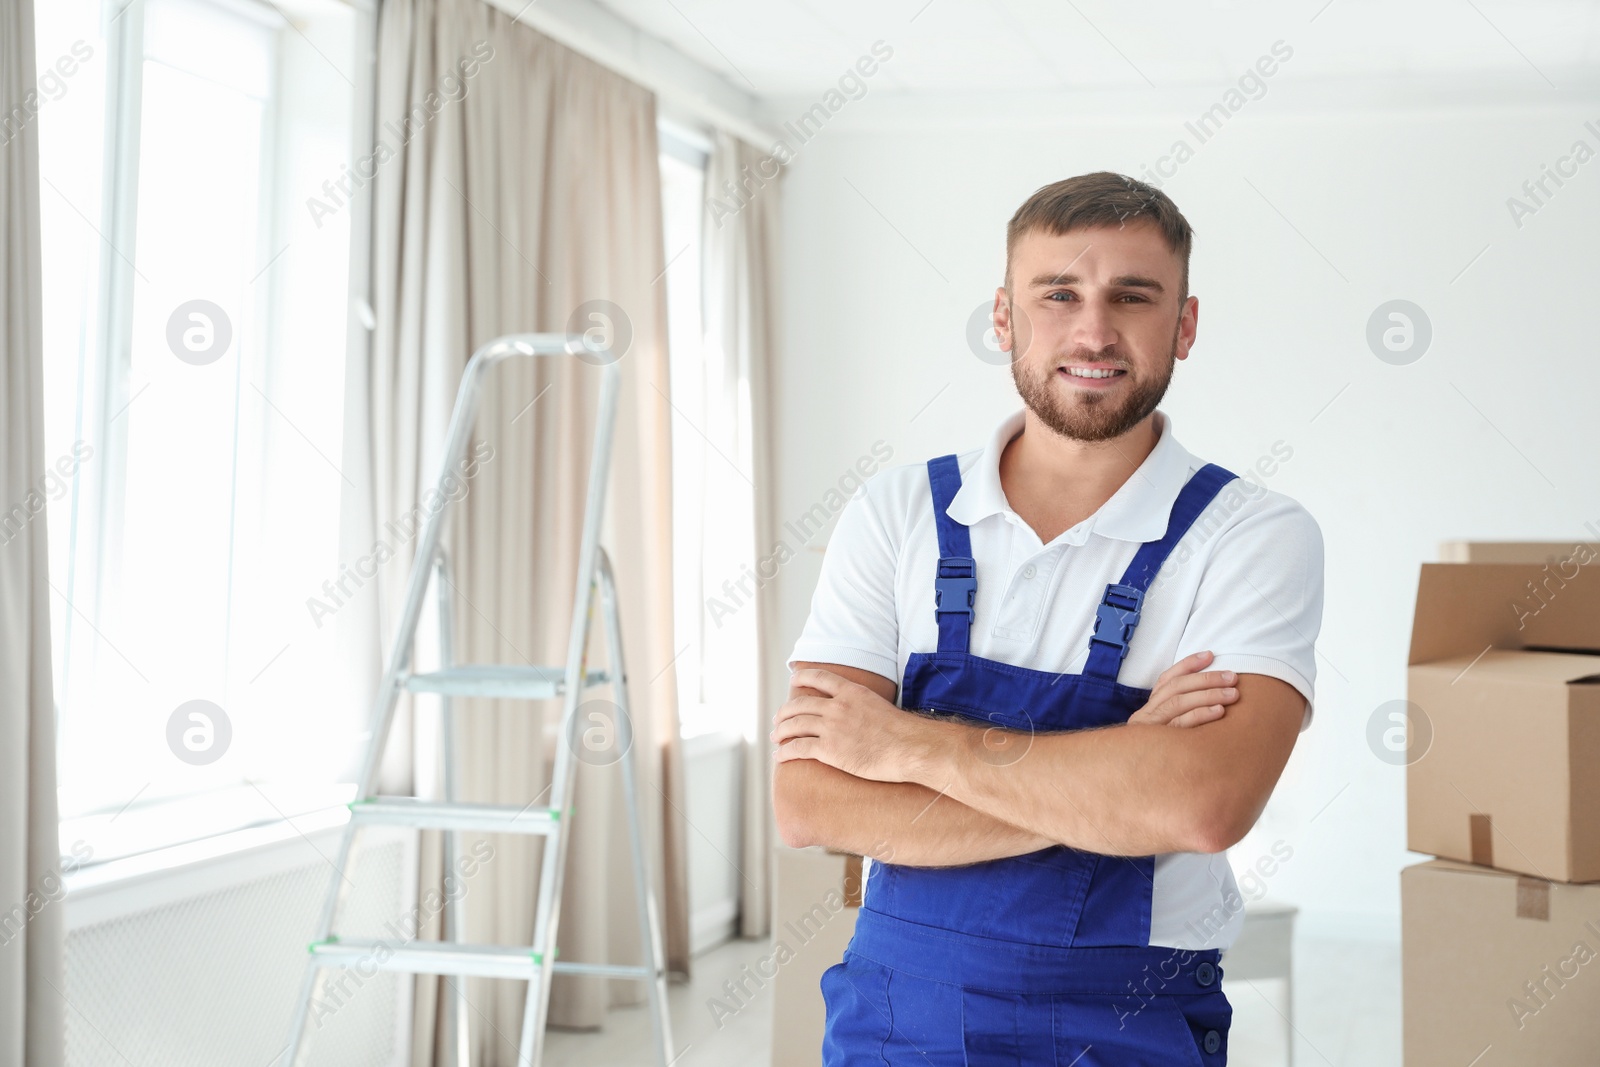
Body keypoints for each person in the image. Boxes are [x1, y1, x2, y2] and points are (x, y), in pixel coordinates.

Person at [772, 171, 1324, 1065]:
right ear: (1004, 318)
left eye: (1132, 297)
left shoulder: (1254, 535)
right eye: (1058, 294)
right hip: (896, 1008)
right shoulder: (897, 511)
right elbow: (808, 800)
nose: (1093, 331)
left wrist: (909, 747)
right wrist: (1119, 778)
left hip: (1125, 1014)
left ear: (1183, 325)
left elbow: (1204, 804)